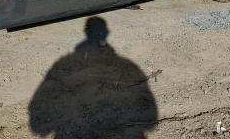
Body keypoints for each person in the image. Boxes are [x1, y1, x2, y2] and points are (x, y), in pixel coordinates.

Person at [28, 16, 158, 138]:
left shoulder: (65, 63)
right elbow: (150, 119)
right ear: (106, 32)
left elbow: (38, 121)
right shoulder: (126, 65)